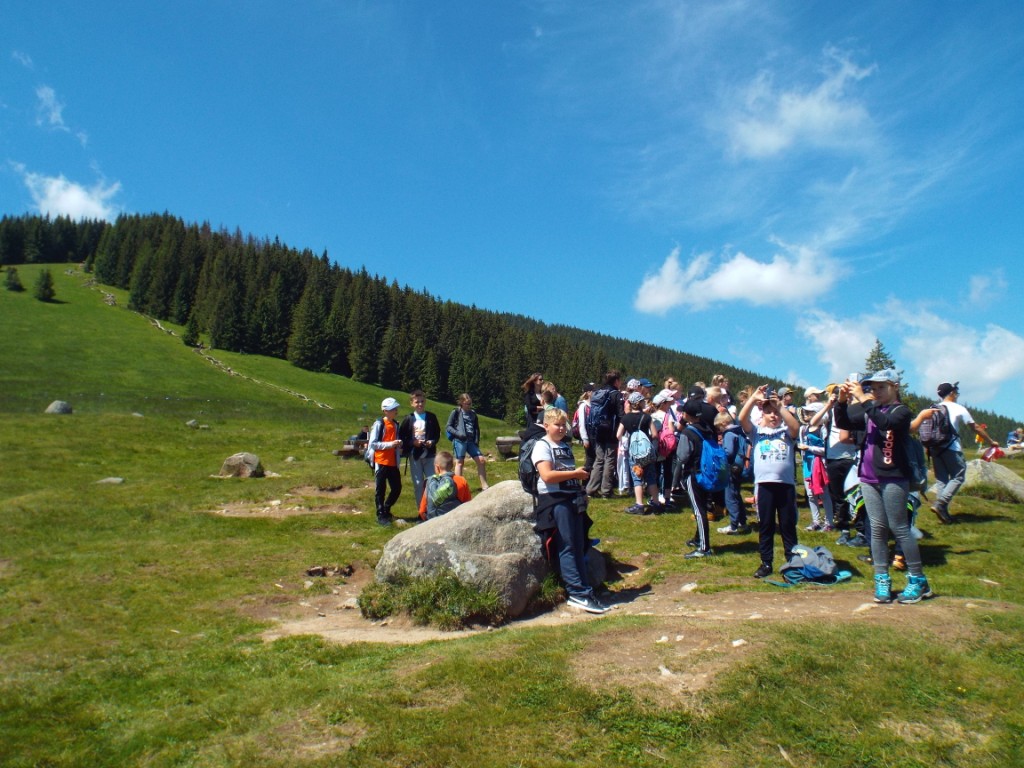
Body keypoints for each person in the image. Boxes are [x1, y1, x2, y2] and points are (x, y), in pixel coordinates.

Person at [837, 369, 933, 604]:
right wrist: (841, 401)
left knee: (899, 528)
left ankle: (918, 579)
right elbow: (843, 422)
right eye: (873, 388)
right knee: (878, 529)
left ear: (895, 387)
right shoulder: (870, 408)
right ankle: (881, 578)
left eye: (882, 387)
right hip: (868, 477)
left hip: (894, 476)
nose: (876, 391)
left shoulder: (901, 411)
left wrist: (863, 398)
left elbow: (885, 423)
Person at [531, 408, 609, 614]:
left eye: (563, 425)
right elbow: (547, 476)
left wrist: (580, 490)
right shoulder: (542, 446)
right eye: (556, 425)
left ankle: (585, 590)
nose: (561, 428)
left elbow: (567, 474)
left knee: (578, 544)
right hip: (554, 500)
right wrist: (575, 473)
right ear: (546, 426)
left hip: (572, 498)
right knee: (567, 545)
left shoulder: (564, 446)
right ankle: (576, 593)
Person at [912, 381, 1000, 523]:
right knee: (958, 476)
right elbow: (976, 427)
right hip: (951, 447)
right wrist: (991, 441)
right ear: (952, 393)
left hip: (935, 448)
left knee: (941, 480)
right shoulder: (958, 408)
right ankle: (941, 504)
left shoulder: (933, 408)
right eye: (956, 392)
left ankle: (943, 513)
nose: (957, 394)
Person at [739, 385, 801, 579]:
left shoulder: (785, 432)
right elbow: (742, 419)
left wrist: (780, 406)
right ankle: (766, 562)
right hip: (764, 485)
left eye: (776, 413)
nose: (773, 416)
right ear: (762, 414)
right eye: (769, 412)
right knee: (766, 525)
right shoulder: (757, 432)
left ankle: (793, 561)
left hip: (786, 485)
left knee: (787, 525)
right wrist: (753, 399)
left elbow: (796, 427)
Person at [674, 398, 717, 559]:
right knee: (703, 507)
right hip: (707, 472)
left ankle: (704, 548)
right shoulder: (707, 428)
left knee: (698, 511)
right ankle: (698, 538)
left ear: (686, 414)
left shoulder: (688, 432)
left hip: (694, 473)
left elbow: (682, 456)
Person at [616, 391, 661, 514]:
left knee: (637, 478)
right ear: (640, 403)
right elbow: (655, 434)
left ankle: (639, 505)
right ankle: (656, 504)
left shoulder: (625, 418)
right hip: (647, 452)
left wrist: (627, 442)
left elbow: (618, 435)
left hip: (634, 452)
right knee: (651, 477)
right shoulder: (646, 417)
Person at [398, 389, 441, 509]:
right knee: (418, 483)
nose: (420, 404)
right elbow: (402, 436)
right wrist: (412, 442)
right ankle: (421, 510)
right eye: (417, 402)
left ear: (425, 401)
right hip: (415, 455)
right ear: (412, 403)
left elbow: (437, 433)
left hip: (429, 454)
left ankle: (433, 508)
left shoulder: (431, 417)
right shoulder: (409, 418)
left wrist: (432, 442)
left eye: (422, 401)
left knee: (432, 481)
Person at [586, 370, 624, 498]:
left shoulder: (598, 392)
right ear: (616, 381)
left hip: (598, 430)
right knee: (610, 460)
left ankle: (591, 488)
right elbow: (620, 414)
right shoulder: (616, 394)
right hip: (611, 430)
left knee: (599, 459)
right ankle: (606, 490)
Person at [367, 397, 403, 526]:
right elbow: (373, 444)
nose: (396, 411)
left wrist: (398, 444)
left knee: (397, 488)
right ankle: (380, 514)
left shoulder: (396, 424)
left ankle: (386, 509)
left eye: (395, 409)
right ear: (385, 411)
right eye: (393, 409)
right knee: (380, 490)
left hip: (392, 462)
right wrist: (390, 444)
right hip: (381, 460)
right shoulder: (379, 424)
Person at [716, 411, 752, 535]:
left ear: (723, 423)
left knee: (730, 496)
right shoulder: (739, 431)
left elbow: (729, 452)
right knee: (736, 494)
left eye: (719, 426)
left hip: (732, 467)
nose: (719, 429)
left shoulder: (729, 434)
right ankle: (742, 521)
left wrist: (720, 453)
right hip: (740, 465)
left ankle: (733, 525)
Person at [446, 393, 490, 490]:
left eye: (470, 403)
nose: (469, 406)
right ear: (461, 403)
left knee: (481, 460)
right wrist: (458, 434)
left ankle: (484, 486)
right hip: (459, 441)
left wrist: (476, 440)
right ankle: (459, 488)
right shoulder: (456, 412)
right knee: (460, 462)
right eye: (467, 404)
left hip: (471, 442)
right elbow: (448, 427)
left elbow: (476, 428)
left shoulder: (473, 413)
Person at [418, 451, 472, 521]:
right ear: (452, 466)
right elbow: (468, 504)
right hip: (456, 519)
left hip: (434, 521)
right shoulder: (461, 480)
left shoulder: (430, 482)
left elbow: (422, 511)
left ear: (437, 467)